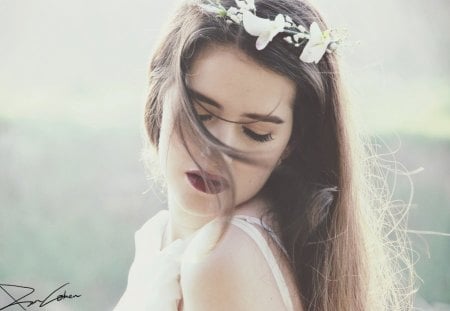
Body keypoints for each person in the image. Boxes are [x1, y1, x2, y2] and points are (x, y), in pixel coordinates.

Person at [114, 0, 416, 310]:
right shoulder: (167, 239)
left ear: (290, 145)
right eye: (200, 114)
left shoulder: (221, 259)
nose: (219, 151)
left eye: (256, 132)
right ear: (158, 95)